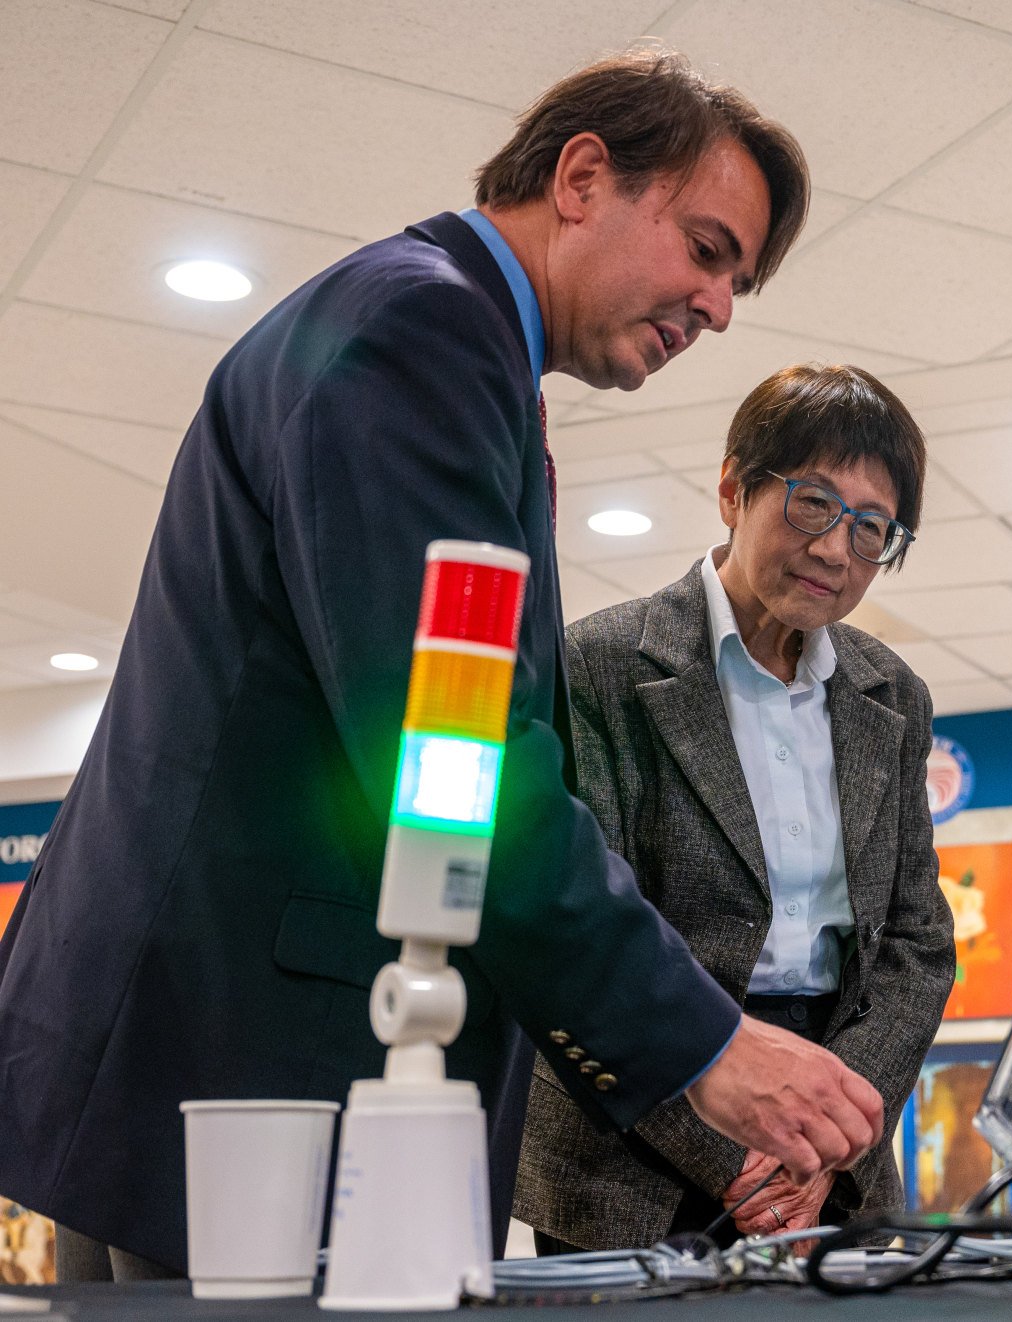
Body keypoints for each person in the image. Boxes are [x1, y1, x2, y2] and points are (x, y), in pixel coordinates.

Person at [0, 50, 886, 1280]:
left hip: (207, 1074)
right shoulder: (422, 331)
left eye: (737, 275)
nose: (721, 304)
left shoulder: (425, 329)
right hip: (251, 1075)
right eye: (703, 245)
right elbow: (457, 768)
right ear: (583, 176)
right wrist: (709, 1049)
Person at [515, 364, 955, 1250]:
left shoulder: (892, 696)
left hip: (835, 1143)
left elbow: (916, 943)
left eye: (873, 530)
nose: (838, 550)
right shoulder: (599, 667)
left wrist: (826, 1140)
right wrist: (739, 1156)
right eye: (813, 505)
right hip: (635, 1148)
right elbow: (583, 935)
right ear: (732, 489)